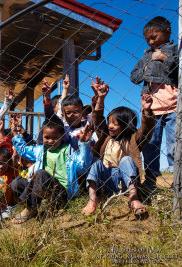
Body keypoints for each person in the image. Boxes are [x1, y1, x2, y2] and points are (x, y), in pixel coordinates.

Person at [81, 79, 155, 217]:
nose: (110, 126)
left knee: (126, 159)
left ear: (126, 125)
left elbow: (146, 130)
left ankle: (133, 198)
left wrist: (146, 110)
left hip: (124, 181)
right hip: (105, 180)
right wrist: (101, 99)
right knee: (96, 162)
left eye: (115, 124)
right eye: (109, 122)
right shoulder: (105, 136)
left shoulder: (133, 138)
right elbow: (97, 121)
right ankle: (92, 200)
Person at [11, 115, 93, 223]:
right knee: (17, 183)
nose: (50, 141)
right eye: (47, 137)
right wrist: (15, 133)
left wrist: (84, 144)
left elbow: (83, 166)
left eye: (55, 137)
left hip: (61, 192)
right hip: (44, 188)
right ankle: (38, 203)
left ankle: (32, 208)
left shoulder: (68, 152)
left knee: (40, 173)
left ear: (63, 136)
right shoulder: (40, 150)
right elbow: (23, 150)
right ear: (42, 137)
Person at [130, 16, 178, 190]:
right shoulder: (146, 57)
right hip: (152, 109)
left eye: (154, 37)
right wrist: (144, 69)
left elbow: (177, 68)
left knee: (175, 145)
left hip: (174, 107)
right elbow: (133, 77)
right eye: (147, 39)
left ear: (167, 32)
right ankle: (150, 180)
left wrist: (165, 58)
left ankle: (177, 179)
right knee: (150, 145)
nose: (151, 42)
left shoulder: (175, 50)